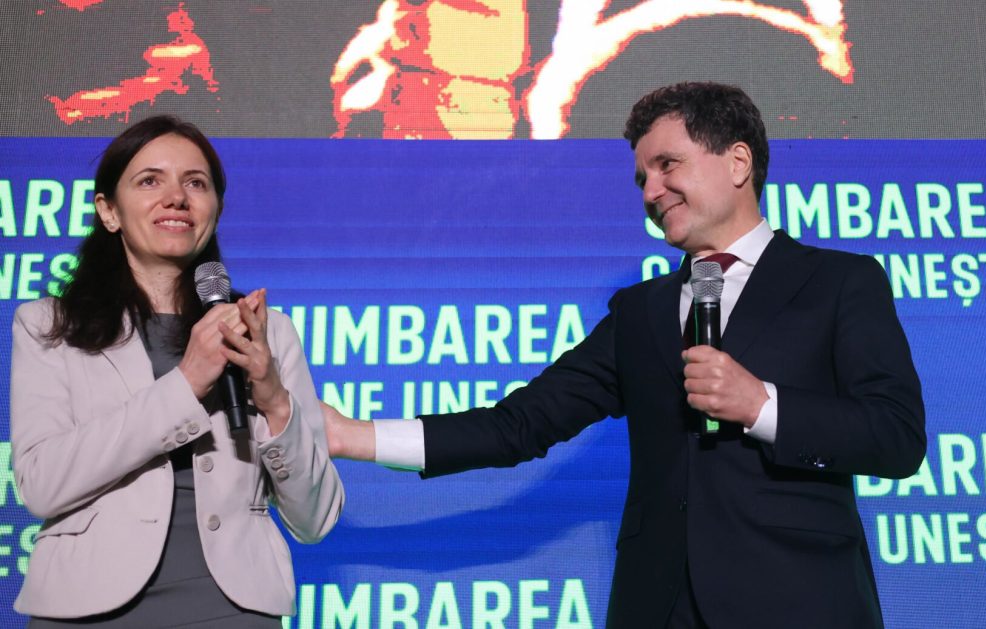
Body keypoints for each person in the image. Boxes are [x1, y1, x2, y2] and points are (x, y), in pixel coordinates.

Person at [323, 82, 926, 628]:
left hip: (801, 602)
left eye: (667, 166)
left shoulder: (840, 282)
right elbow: (518, 425)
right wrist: (352, 436)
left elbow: (897, 437)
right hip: (657, 607)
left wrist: (761, 405)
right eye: (642, 179)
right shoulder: (640, 313)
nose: (651, 192)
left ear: (738, 162)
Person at [10, 115, 344, 627]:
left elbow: (315, 518)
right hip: (85, 605)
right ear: (109, 211)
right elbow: (41, 485)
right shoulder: (48, 326)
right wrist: (186, 383)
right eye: (150, 181)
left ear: (215, 209)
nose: (176, 198)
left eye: (196, 183)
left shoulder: (267, 331)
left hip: (232, 609)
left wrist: (276, 401)